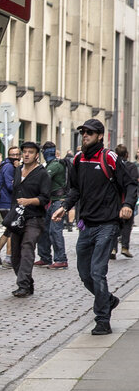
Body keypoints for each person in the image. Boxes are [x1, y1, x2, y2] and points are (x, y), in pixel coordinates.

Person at [52, 119, 138, 335]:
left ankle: (102, 320)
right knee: (84, 274)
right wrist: (65, 207)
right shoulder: (78, 159)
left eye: (89, 132)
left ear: (100, 136)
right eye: (83, 132)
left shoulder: (109, 157)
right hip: (86, 225)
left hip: (107, 224)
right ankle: (108, 299)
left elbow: (130, 183)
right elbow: (75, 190)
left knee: (97, 272)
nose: (85, 135)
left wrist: (127, 205)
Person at [8, 142, 51, 297]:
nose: (26, 155)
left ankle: (23, 285)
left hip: (34, 218)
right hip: (17, 217)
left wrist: (29, 201)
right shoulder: (17, 170)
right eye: (24, 152)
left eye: (30, 152)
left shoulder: (42, 173)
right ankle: (27, 282)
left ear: (36, 155)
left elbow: (45, 198)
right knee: (15, 255)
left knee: (27, 248)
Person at [35, 141, 69, 269]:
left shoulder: (55, 165)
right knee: (44, 230)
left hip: (58, 201)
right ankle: (45, 257)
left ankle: (61, 259)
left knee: (55, 230)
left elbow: (43, 178)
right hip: (51, 201)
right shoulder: (49, 164)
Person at [0, 147, 20, 266]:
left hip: (4, 201)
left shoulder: (5, 165)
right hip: (7, 202)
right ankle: (8, 259)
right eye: (13, 155)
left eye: (17, 154)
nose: (15, 157)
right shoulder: (9, 167)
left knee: (8, 230)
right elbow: (10, 186)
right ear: (8, 155)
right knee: (12, 231)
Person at [111, 144, 138, 259]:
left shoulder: (113, 166)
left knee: (114, 223)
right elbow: (134, 183)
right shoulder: (131, 166)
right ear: (127, 154)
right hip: (127, 198)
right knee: (127, 223)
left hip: (115, 198)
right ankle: (125, 247)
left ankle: (113, 248)